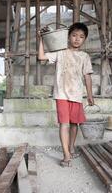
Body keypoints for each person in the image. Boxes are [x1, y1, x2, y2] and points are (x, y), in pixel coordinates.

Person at [38, 22, 94, 167]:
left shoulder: (84, 56)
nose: (77, 39)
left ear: (84, 40)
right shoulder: (60, 52)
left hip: (76, 95)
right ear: (68, 37)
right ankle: (66, 155)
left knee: (74, 124)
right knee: (64, 124)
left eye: (81, 37)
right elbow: (41, 57)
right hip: (61, 94)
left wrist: (90, 95)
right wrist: (42, 38)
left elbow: (87, 76)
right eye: (74, 35)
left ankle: (70, 147)